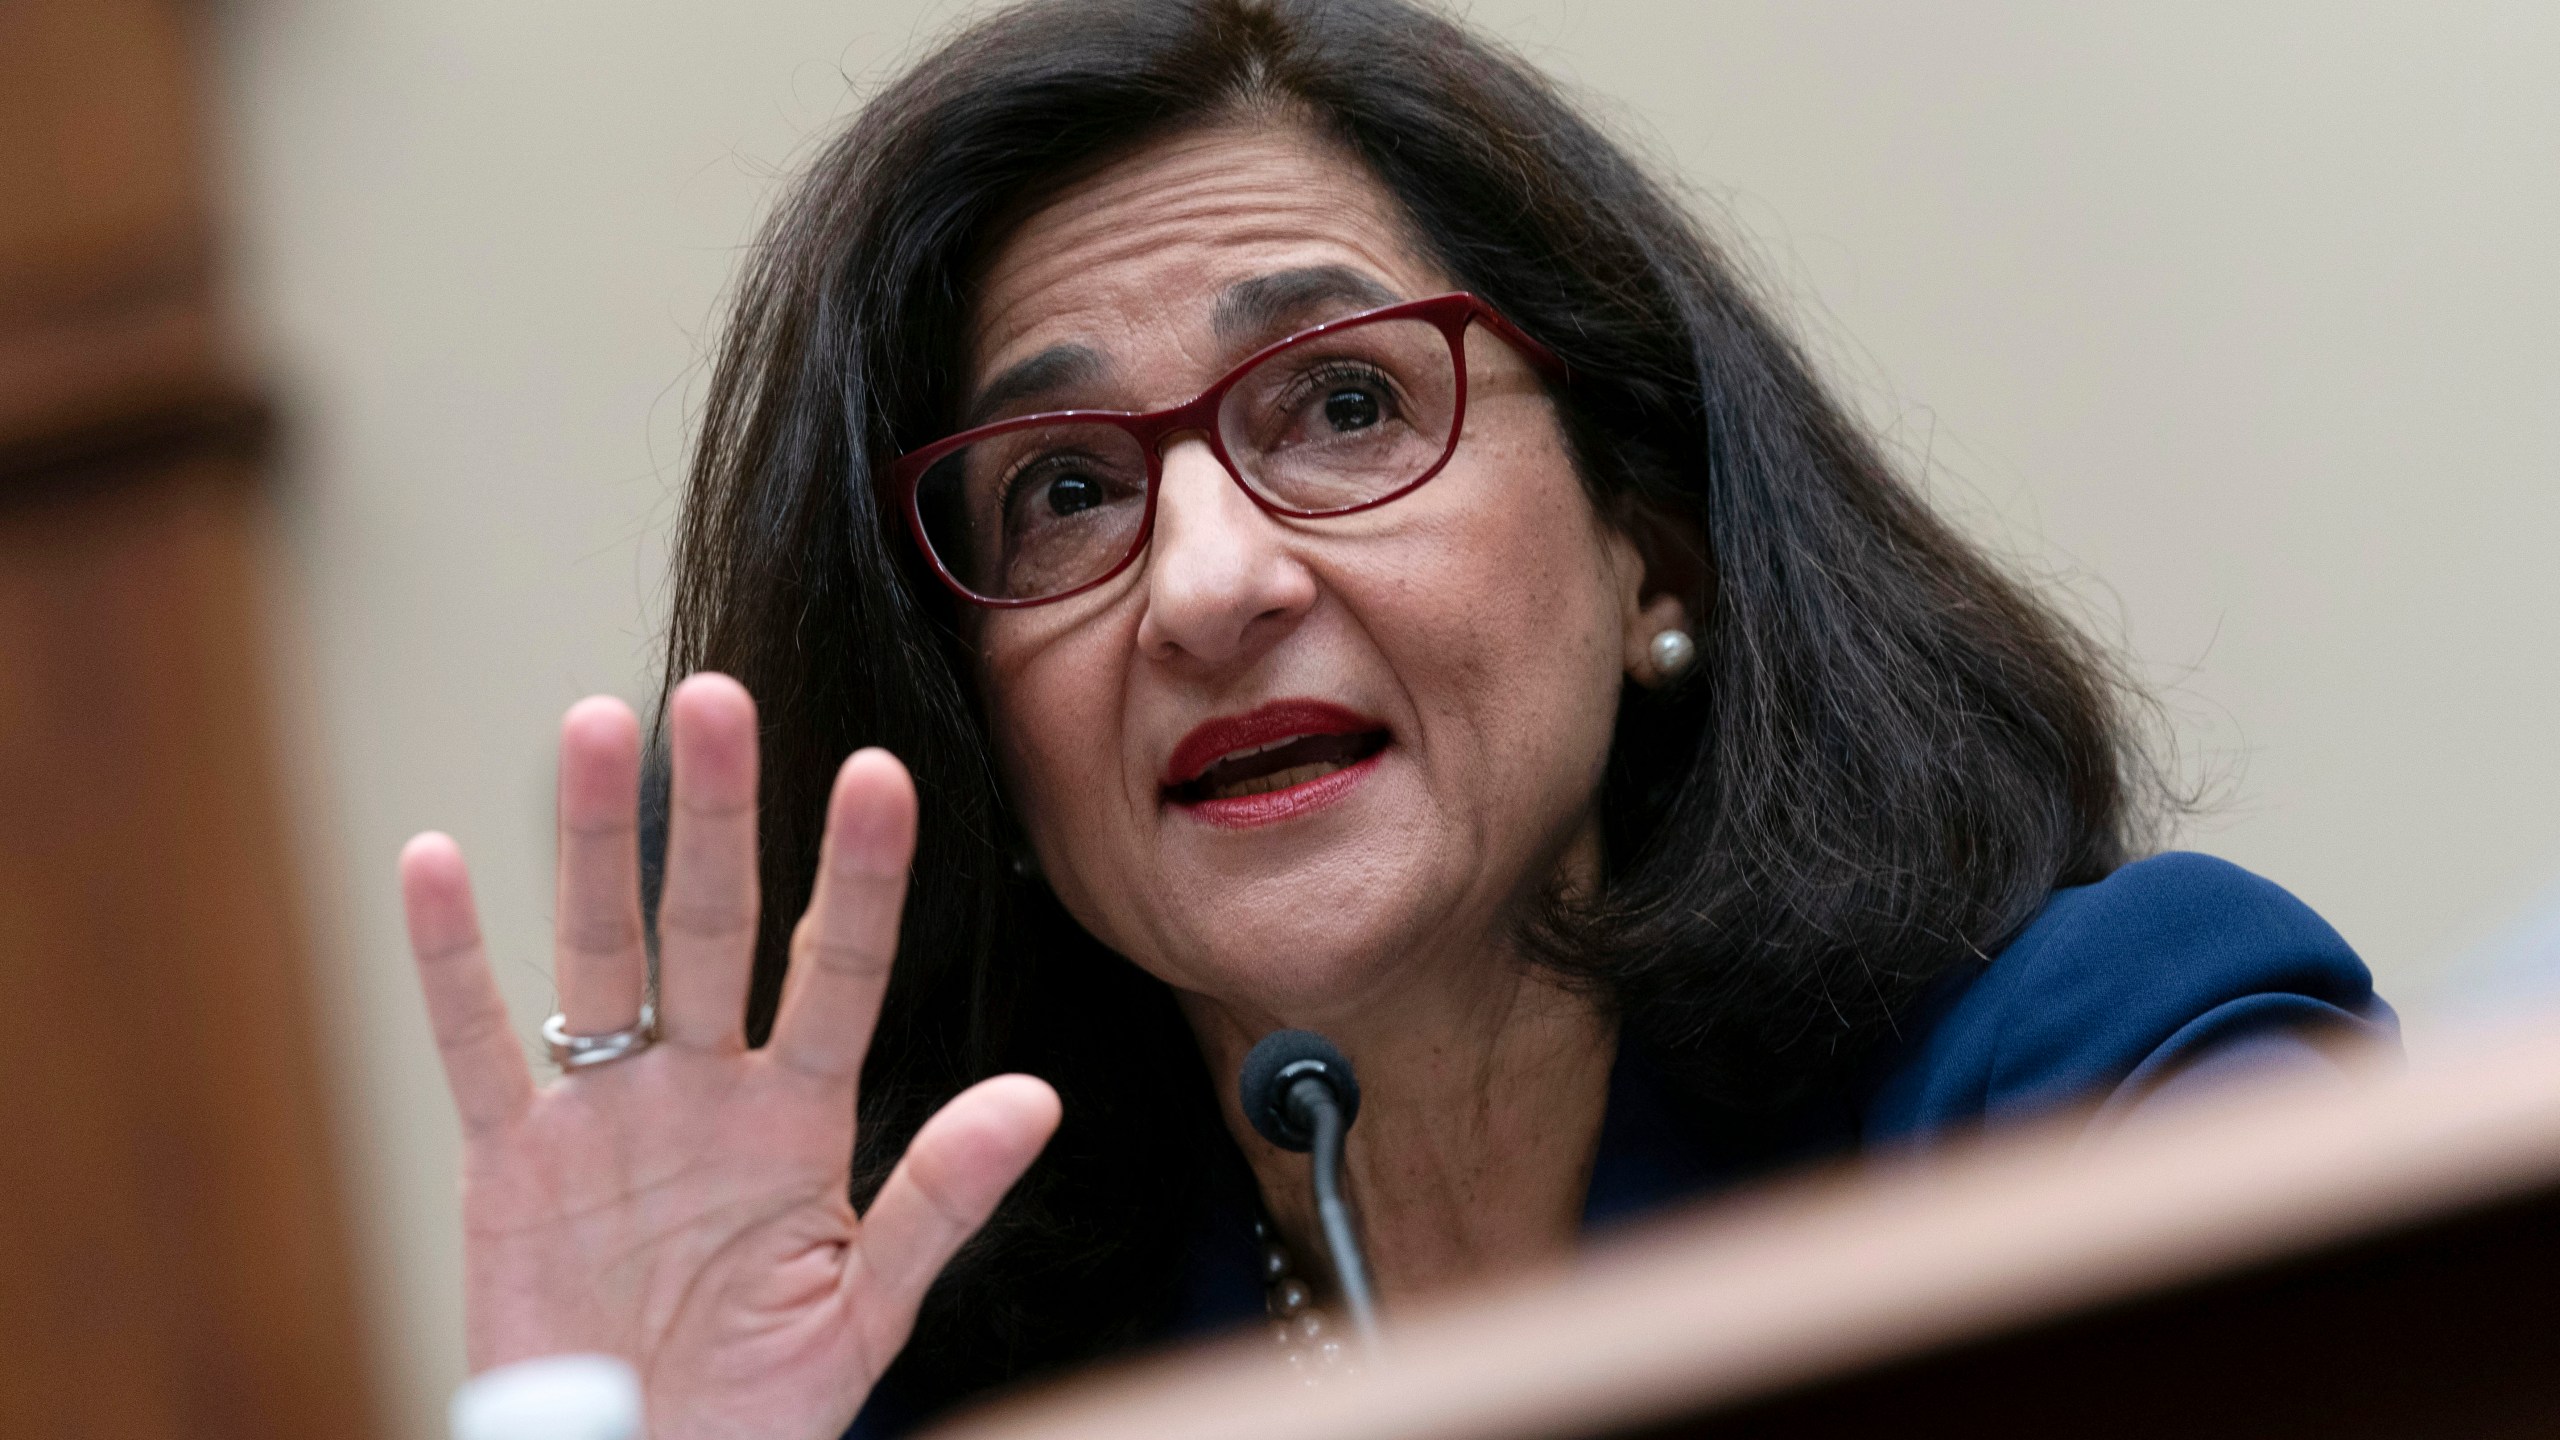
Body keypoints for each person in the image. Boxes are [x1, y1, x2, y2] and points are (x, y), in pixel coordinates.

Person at [394, 1, 2396, 1435]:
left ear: (1654, 551)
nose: (1202, 585)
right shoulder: (930, 1372)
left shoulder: (2101, 1080)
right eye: (1063, 490)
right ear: (974, 737)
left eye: (1342, 406)